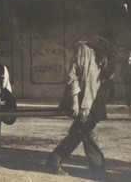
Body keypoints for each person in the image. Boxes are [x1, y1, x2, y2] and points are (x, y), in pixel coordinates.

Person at [45, 31, 115, 181]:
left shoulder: (105, 55)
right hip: (83, 103)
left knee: (78, 133)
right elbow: (73, 76)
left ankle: (54, 160)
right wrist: (76, 101)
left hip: (94, 104)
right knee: (88, 133)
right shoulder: (84, 51)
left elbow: (105, 80)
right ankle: (97, 169)